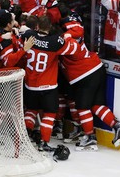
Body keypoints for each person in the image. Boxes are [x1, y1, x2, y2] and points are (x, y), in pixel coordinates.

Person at [59, 30, 120, 151]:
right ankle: (119, 127)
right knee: (96, 105)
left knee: (82, 106)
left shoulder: (65, 44)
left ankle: (90, 138)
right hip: (97, 68)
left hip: (86, 75)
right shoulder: (75, 37)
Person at [21, 15, 80, 151]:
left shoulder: (28, 36)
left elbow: (25, 32)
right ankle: (44, 142)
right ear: (50, 27)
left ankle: (25, 138)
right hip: (48, 86)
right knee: (50, 113)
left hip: (30, 85)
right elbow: (73, 49)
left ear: (37, 27)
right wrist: (67, 37)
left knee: (31, 111)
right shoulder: (55, 42)